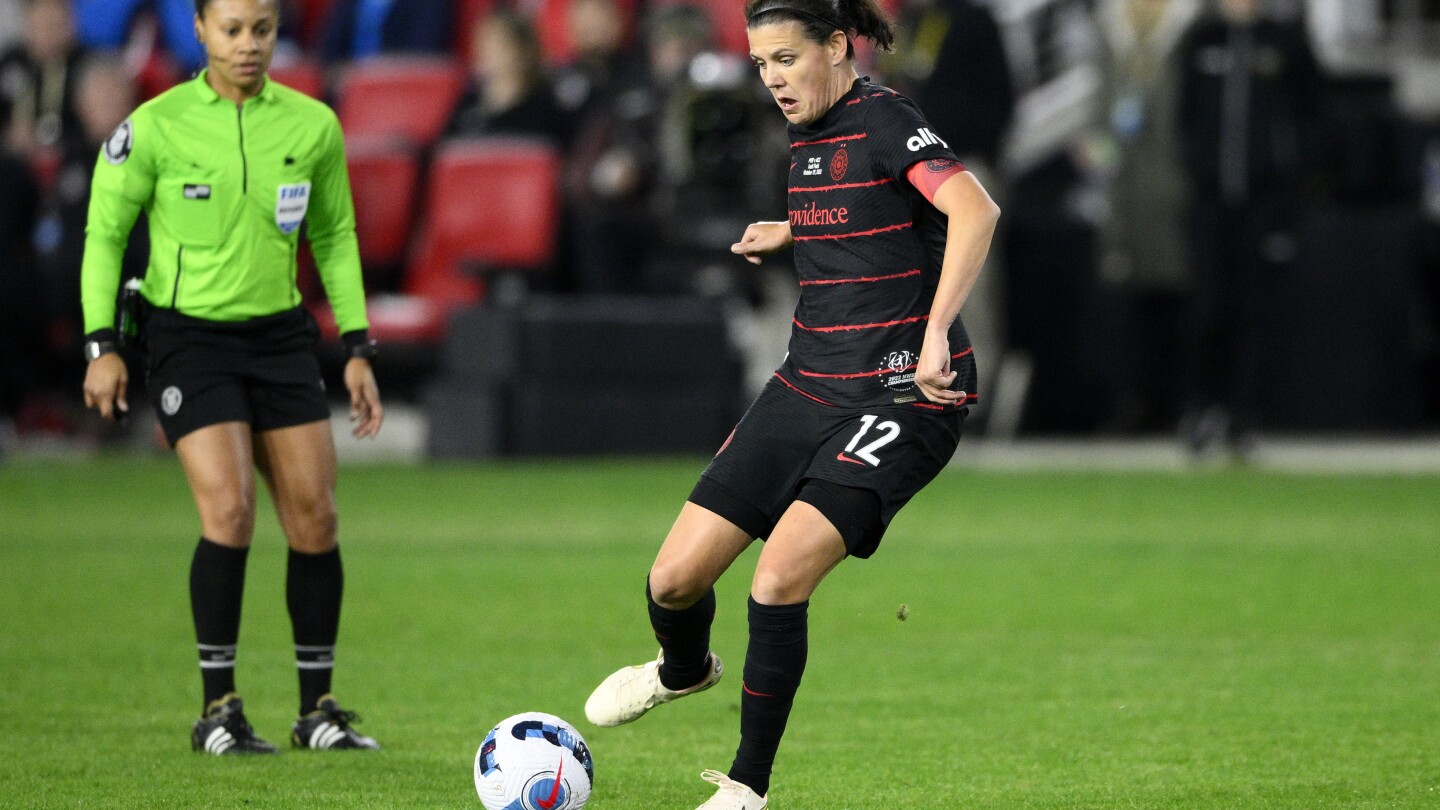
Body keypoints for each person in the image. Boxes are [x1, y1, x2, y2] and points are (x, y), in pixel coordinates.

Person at [581, 0, 999, 807]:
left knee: (776, 578)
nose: (772, 79)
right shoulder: (807, 134)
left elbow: (972, 207)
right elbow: (872, 214)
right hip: (808, 381)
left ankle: (746, 788)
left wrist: (938, 332)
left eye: (785, 59)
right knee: (672, 581)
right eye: (760, 64)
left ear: (837, 46)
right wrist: (793, 230)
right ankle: (682, 669)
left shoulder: (886, 118)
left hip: (903, 393)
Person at [80, 0, 384, 755]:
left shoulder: (312, 126)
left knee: (315, 518)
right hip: (188, 339)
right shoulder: (155, 125)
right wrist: (101, 345)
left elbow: (334, 235)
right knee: (230, 510)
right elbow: (105, 234)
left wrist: (356, 345)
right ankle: (218, 709)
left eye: (263, 29)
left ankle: (317, 712)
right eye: (232, 29)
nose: (249, 45)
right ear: (199, 29)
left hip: (280, 338)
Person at [1175, 0, 1321, 455]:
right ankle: (1202, 409)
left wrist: (1289, 187)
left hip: (1263, 203)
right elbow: (1183, 115)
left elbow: (1311, 116)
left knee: (1254, 312)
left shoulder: (1285, 42)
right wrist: (1195, 166)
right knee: (1207, 308)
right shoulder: (1201, 40)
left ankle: (1245, 417)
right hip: (1209, 202)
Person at [444, 9, 576, 148]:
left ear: (524, 50)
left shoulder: (547, 109)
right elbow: (443, 151)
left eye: (499, 44)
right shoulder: (468, 103)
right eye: (484, 42)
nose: (488, 51)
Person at [0, 0, 87, 156]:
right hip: (11, 157)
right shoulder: (11, 61)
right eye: (41, 25)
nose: (48, 33)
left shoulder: (83, 66)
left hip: (69, 155)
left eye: (54, 25)